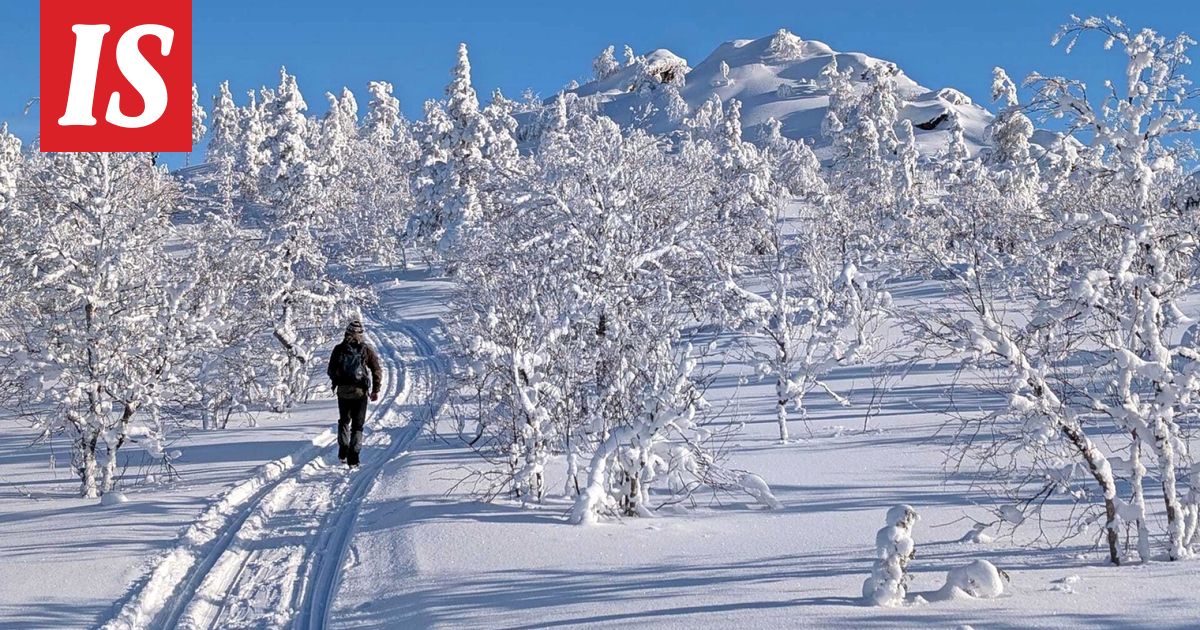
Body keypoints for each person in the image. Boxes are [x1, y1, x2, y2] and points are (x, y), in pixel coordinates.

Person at [326, 319, 383, 468]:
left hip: (343, 392)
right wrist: (375, 389)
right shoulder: (365, 349)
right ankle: (354, 457)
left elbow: (330, 370)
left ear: (347, 333)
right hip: (360, 392)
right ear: (361, 334)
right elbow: (376, 370)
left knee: (344, 421)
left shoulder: (339, 349)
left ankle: (343, 451)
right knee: (358, 425)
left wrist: (338, 380)